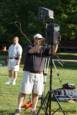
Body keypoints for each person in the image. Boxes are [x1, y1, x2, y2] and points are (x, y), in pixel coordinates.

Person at [14, 33, 58, 115]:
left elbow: (53, 51)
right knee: (23, 91)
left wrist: (56, 43)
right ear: (34, 39)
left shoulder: (44, 49)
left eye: (40, 38)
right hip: (28, 73)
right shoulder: (29, 46)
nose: (39, 40)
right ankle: (18, 108)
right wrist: (39, 43)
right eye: (38, 38)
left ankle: (33, 109)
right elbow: (33, 50)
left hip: (39, 74)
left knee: (36, 93)